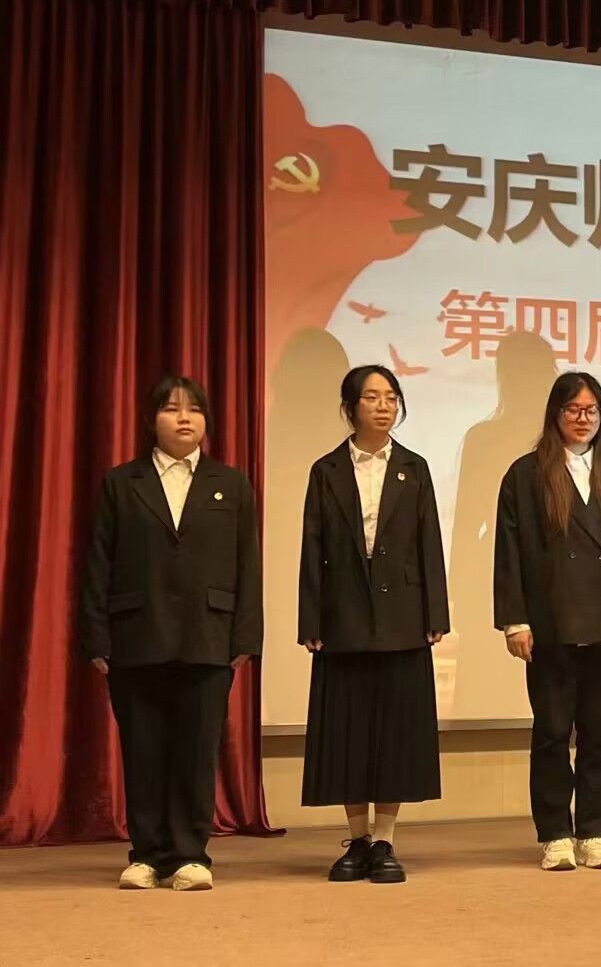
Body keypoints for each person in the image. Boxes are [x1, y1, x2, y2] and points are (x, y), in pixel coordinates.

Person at [79, 375, 261, 891]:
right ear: (151, 420)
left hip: (209, 634)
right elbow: (97, 563)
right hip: (136, 634)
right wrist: (96, 637)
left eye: (194, 409)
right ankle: (147, 855)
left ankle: (190, 855)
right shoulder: (122, 482)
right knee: (143, 748)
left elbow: (248, 563)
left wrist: (246, 637)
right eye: (172, 408)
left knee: (197, 750)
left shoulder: (231, 483)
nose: (185, 418)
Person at [494, 372, 601, 871]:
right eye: (573, 410)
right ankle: (555, 834)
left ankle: (595, 833)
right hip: (550, 625)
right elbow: (509, 553)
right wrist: (514, 621)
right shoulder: (525, 475)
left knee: (600, 735)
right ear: (555, 414)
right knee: (552, 733)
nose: (583, 419)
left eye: (592, 411)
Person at [298, 365, 448, 883]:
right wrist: (311, 619)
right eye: (372, 398)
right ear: (350, 407)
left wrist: (436, 613)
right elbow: (312, 548)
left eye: (391, 398)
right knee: (348, 730)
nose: (383, 406)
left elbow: (430, 543)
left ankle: (385, 839)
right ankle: (356, 839)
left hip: (403, 617)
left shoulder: (414, 467)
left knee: (395, 732)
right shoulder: (326, 470)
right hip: (342, 618)